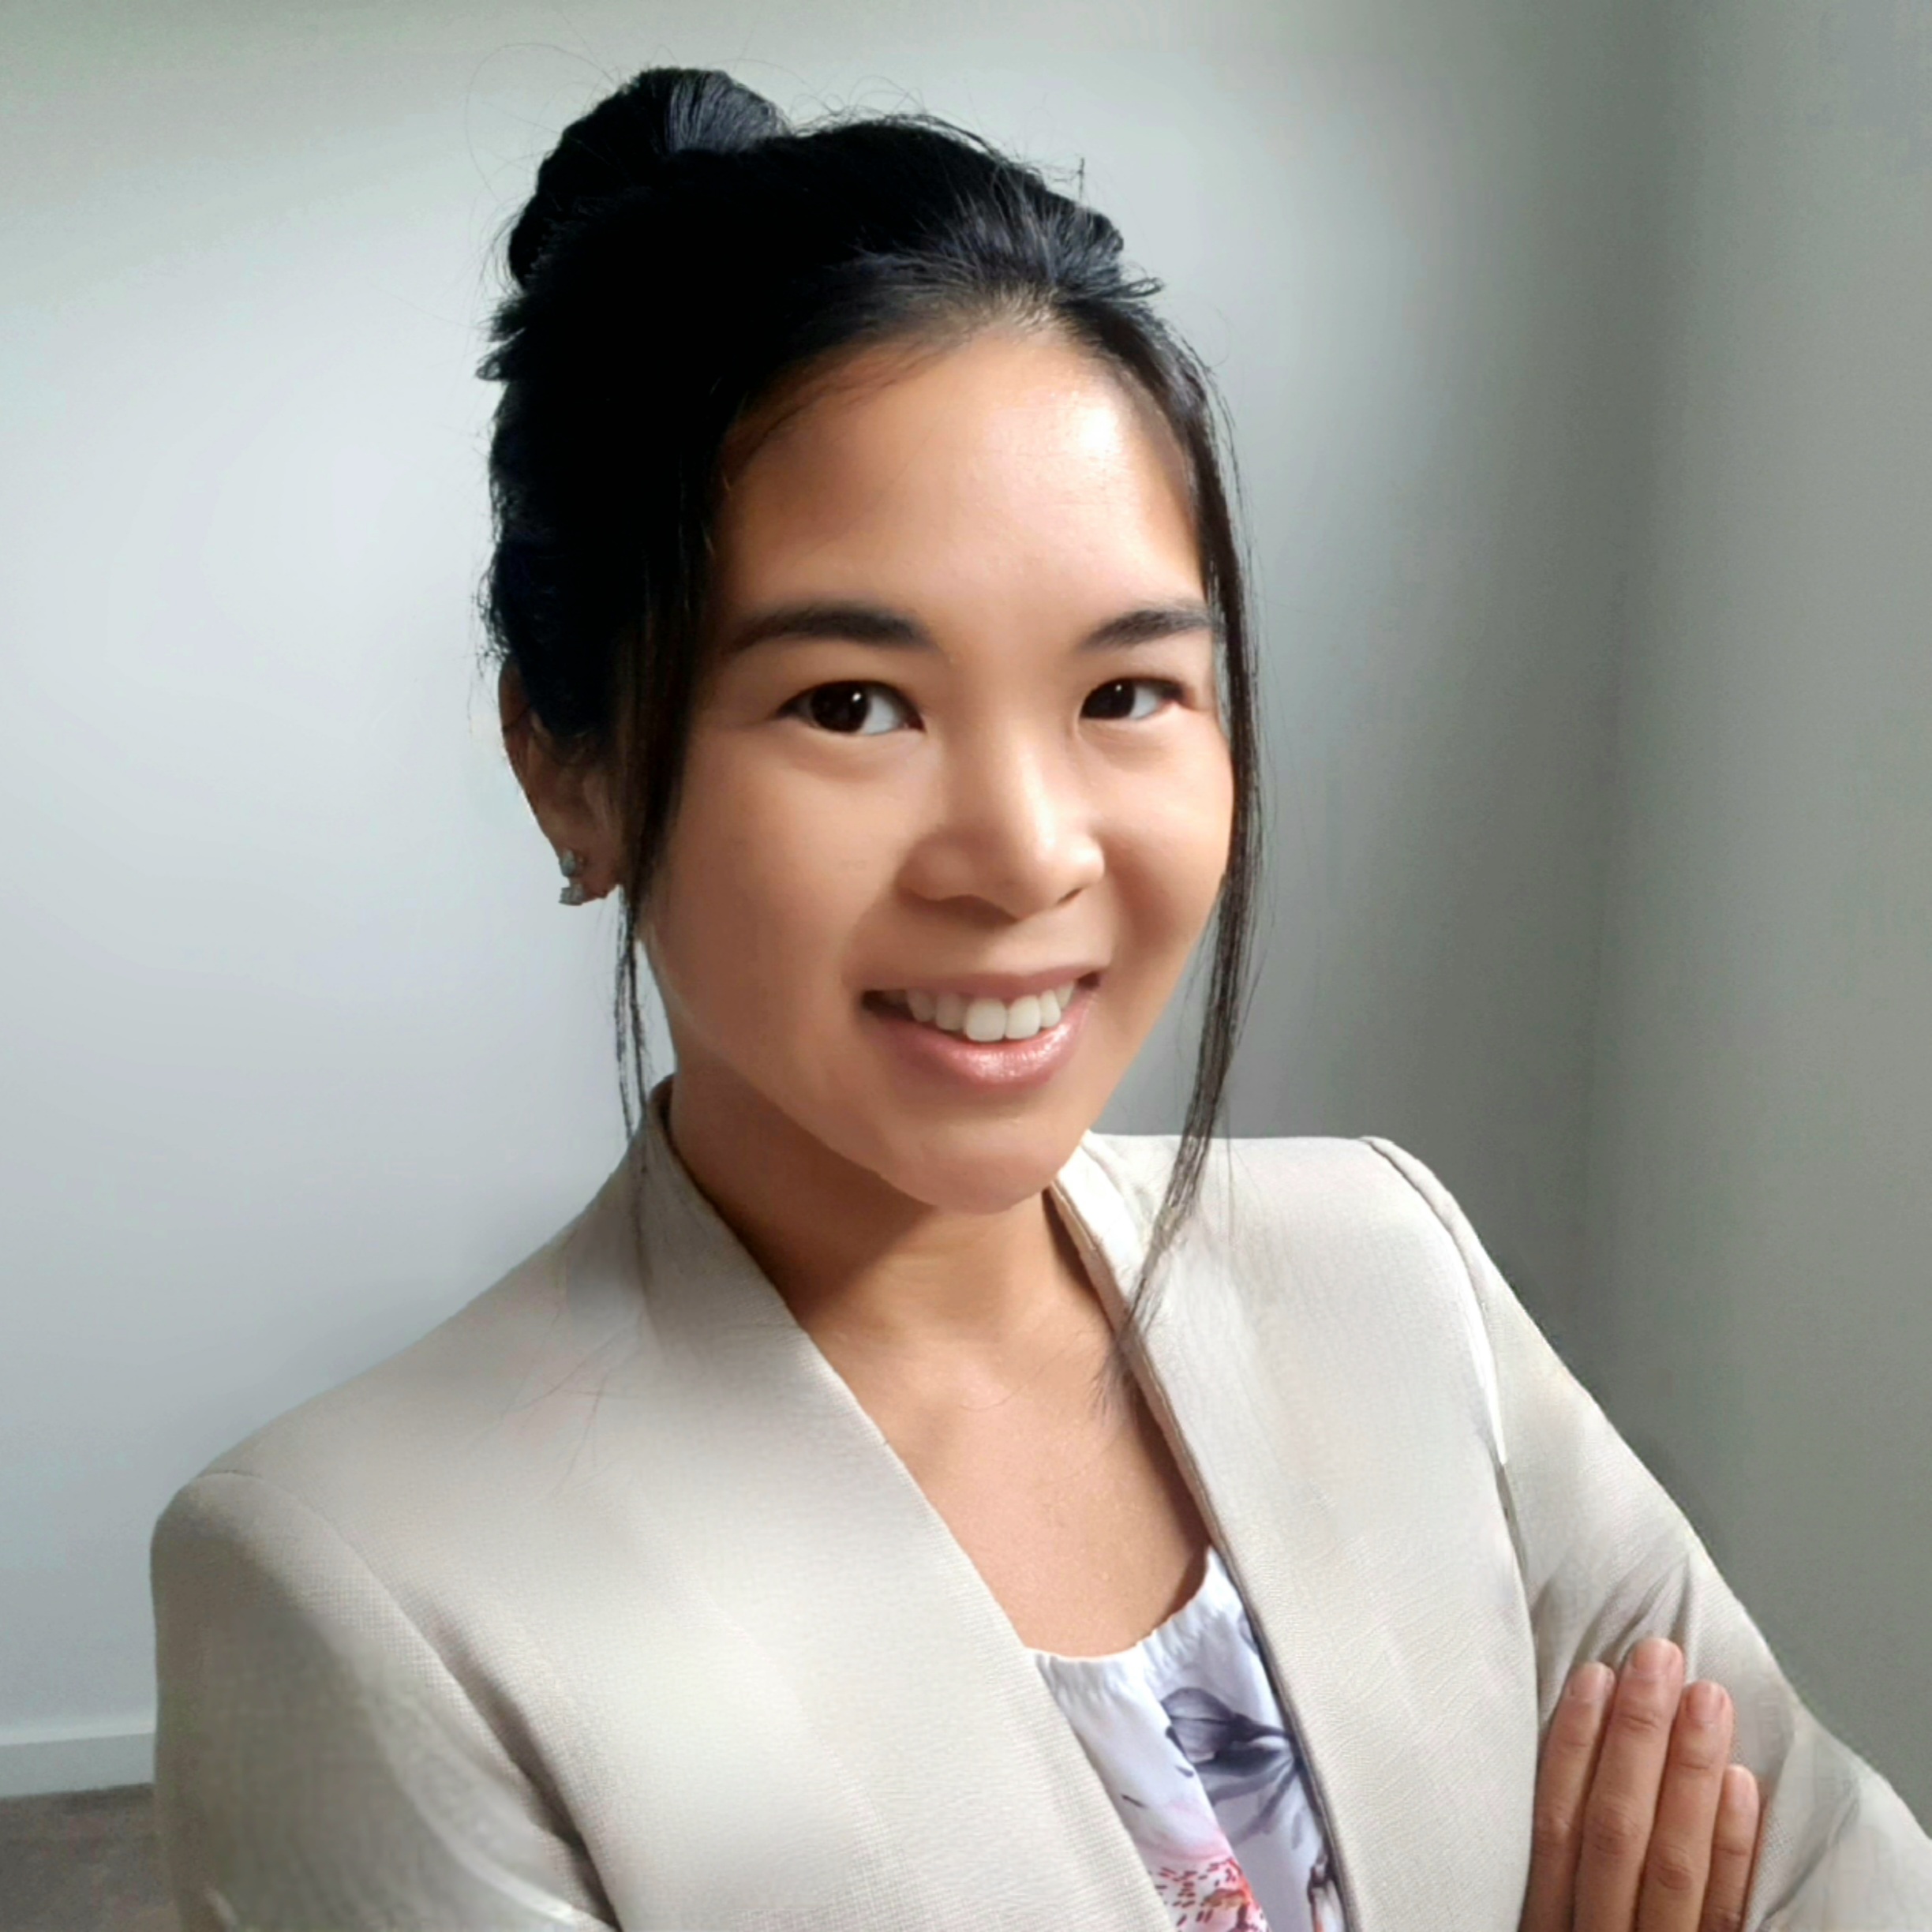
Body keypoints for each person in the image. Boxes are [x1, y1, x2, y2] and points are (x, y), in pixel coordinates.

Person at [148, 66, 1932, 1932]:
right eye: (853, 704)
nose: (1023, 854)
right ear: (569, 766)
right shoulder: (367, 1588)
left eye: (1124, 693)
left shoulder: (1394, 1274)